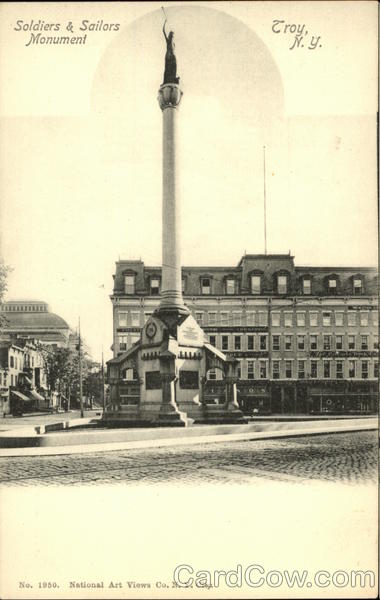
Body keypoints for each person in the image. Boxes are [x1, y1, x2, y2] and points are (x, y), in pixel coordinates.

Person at [163, 19, 179, 84]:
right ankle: (165, 81)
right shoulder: (168, 41)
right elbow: (163, 31)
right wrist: (165, 23)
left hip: (173, 55)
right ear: (170, 35)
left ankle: (173, 78)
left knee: (175, 65)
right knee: (167, 68)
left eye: (173, 35)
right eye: (171, 35)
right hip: (168, 55)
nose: (172, 36)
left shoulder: (174, 44)